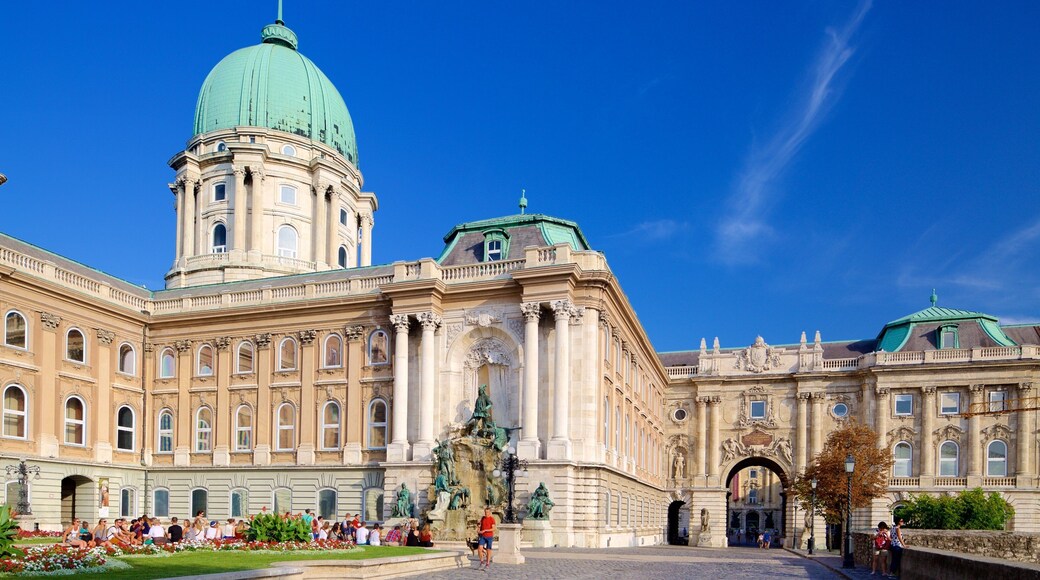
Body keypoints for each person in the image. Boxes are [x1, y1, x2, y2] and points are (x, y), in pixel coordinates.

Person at [477, 507, 495, 571]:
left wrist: (485, 530)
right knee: (479, 548)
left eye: (487, 512)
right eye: (485, 512)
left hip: (489, 536)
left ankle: (487, 564)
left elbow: (493, 529)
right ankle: (482, 562)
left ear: (490, 512)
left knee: (488, 550)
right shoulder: (483, 518)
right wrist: (479, 529)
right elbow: (480, 525)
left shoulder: (492, 519)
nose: (486, 513)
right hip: (482, 536)